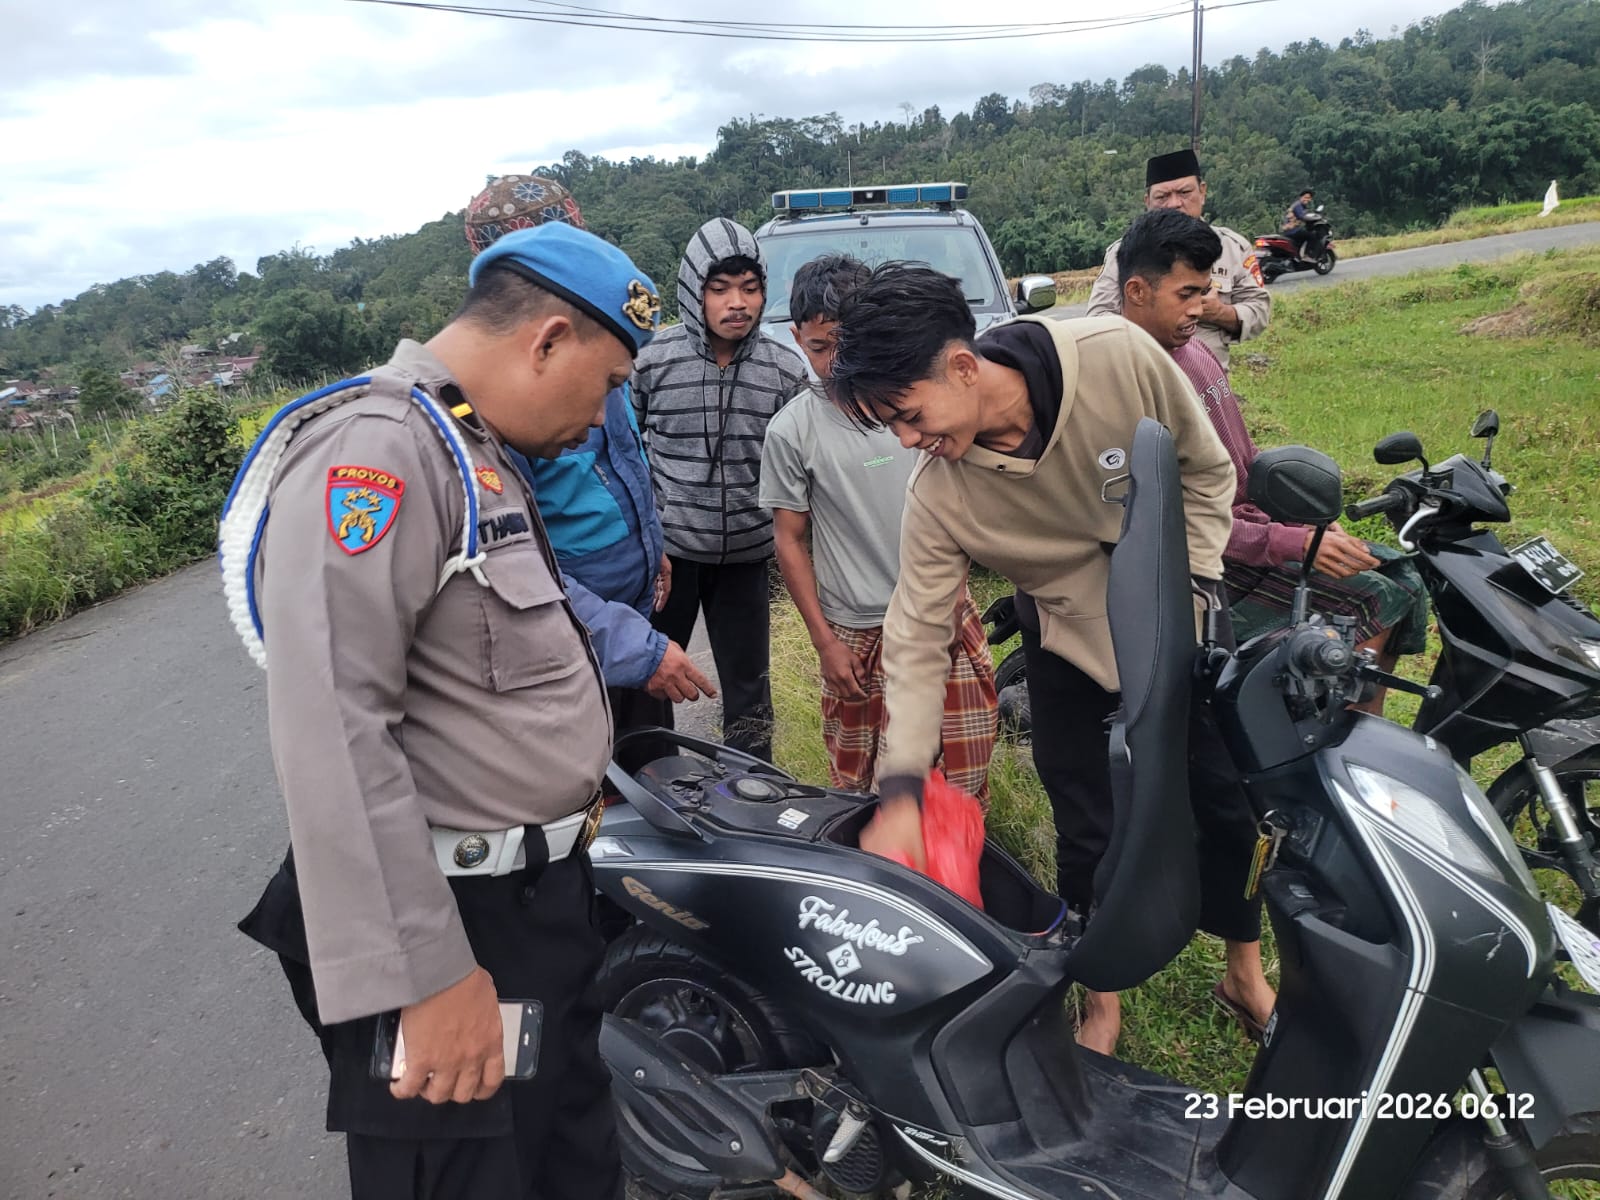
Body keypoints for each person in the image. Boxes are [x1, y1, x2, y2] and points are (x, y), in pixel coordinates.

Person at [222, 223, 661, 1200]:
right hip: (451, 926)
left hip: (536, 910)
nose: (603, 418)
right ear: (546, 339)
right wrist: (423, 978)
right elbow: (334, 726)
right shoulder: (376, 451)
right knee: (462, 1176)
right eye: (609, 381)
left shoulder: (475, 450)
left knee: (572, 1168)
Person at [828, 263, 1272, 1056]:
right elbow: (916, 638)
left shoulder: (1114, 357)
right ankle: (1100, 1001)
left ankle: (1245, 969)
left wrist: (1193, 588)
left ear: (962, 366)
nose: (904, 440)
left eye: (906, 413)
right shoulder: (941, 493)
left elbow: (1207, 471)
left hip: (1182, 622)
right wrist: (901, 786)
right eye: (887, 428)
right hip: (1068, 644)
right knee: (1087, 831)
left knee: (1226, 805)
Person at [1115, 208, 1427, 715]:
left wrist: (1304, 524)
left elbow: (1241, 456)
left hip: (1258, 527)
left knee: (1403, 577)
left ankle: (1360, 725)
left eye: (1204, 292)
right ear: (1136, 292)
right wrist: (1288, 542)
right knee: (1371, 600)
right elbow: (1168, 519)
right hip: (1213, 561)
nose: (1201, 308)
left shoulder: (1194, 351)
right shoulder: (1130, 379)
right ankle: (1328, 736)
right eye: (1186, 295)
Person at [464, 175, 714, 763]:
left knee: (652, 771)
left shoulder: (589, 354)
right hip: (572, 642)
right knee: (595, 801)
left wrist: (653, 546)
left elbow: (621, 462)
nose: (599, 413)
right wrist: (637, 651)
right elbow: (513, 570)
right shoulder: (492, 411)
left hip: (630, 617)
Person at [758, 254, 998, 799]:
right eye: (820, 347)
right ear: (797, 338)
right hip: (856, 632)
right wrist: (824, 643)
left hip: (944, 613)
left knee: (961, 778)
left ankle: (955, 878)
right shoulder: (792, 432)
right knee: (863, 788)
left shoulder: (921, 403)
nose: (835, 360)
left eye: (845, 343)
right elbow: (789, 539)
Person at [632, 217, 809, 762]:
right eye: (720, 289)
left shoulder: (784, 371)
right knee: (650, 679)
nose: (738, 302)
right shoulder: (653, 363)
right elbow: (626, 451)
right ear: (694, 292)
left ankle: (751, 794)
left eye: (750, 288)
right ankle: (648, 781)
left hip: (748, 559)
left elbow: (804, 471)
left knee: (749, 686)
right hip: (670, 558)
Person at [1086, 148, 1270, 372]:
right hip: (1149, 378)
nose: (1174, 203)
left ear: (1202, 191)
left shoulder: (1233, 248)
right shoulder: (1126, 251)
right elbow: (1098, 318)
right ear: (1147, 201)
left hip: (1210, 383)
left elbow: (1259, 309)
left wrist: (1219, 312)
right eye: (1162, 197)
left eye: (1184, 192)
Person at [1283, 188, 1317, 259]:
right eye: (1305, 197)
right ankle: (1307, 255)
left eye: (1309, 198)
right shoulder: (1298, 205)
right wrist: (1314, 218)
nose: (1307, 199)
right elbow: (1301, 217)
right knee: (1312, 235)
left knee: (1300, 240)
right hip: (1292, 230)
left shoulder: (1299, 205)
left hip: (1289, 230)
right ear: (1301, 197)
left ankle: (1297, 256)